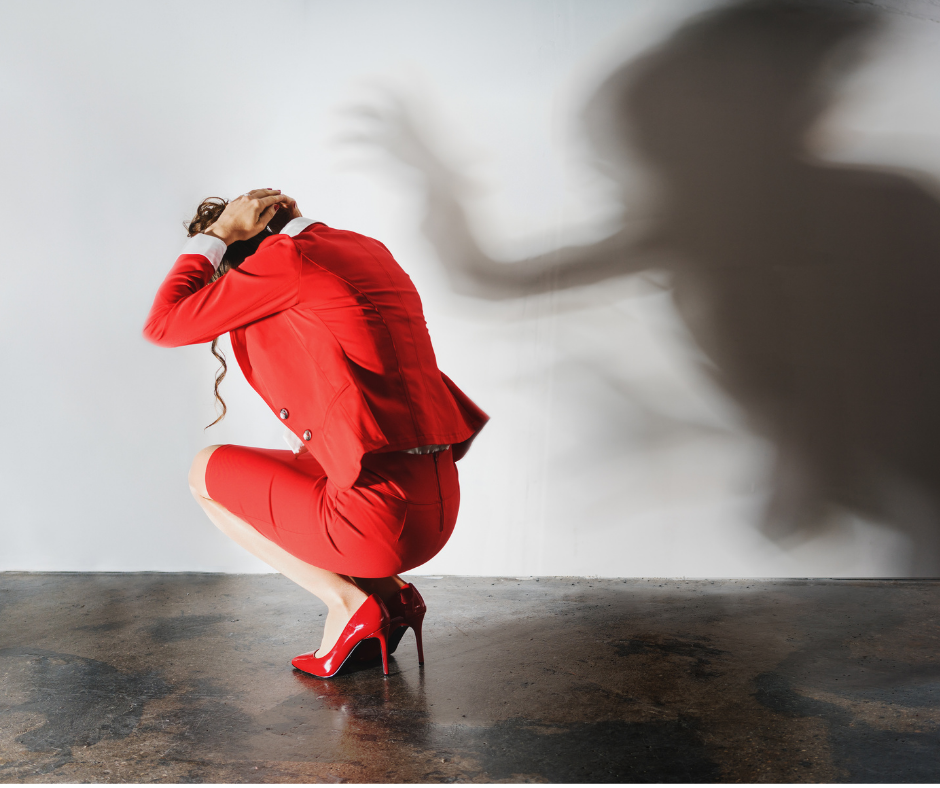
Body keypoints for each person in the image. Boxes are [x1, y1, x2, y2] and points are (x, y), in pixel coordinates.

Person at [143, 189, 488, 677]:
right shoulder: (361, 247)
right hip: (438, 504)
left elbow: (164, 325)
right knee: (310, 460)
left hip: (380, 523)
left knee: (205, 472)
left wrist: (217, 237)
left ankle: (348, 603)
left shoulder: (286, 261)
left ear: (246, 249)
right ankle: (392, 596)